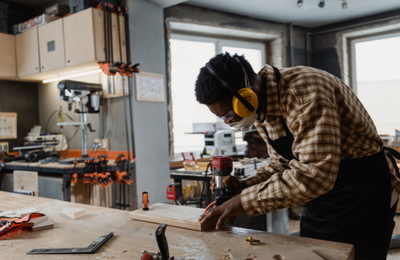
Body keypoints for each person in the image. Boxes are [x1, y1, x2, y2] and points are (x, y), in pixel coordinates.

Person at [196, 52, 400, 260]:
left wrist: (245, 201)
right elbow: (283, 163)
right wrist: (246, 186)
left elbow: (315, 174)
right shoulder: (263, 107)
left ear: (247, 97)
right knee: (315, 254)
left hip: (363, 190)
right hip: (326, 193)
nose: (228, 123)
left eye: (228, 114)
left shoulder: (303, 94)